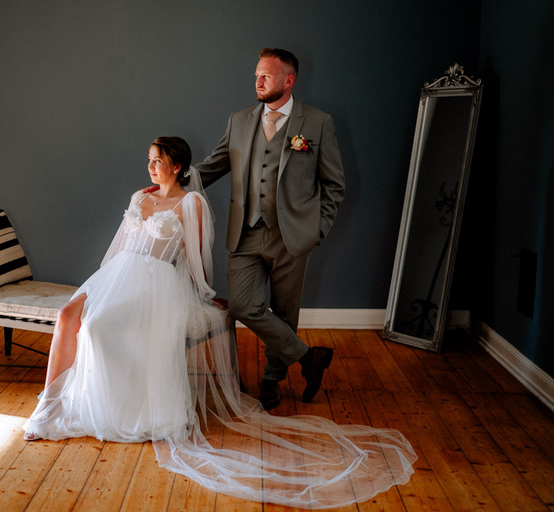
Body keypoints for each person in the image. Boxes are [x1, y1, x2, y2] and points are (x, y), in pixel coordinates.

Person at [23, 137, 416, 508]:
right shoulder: (138, 198)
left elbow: (195, 257)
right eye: (149, 160)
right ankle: (49, 408)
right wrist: (101, 285)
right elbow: (119, 249)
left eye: (158, 161)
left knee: (99, 329)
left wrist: (205, 294)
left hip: (155, 281)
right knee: (69, 315)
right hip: (119, 275)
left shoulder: (190, 203)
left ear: (177, 167)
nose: (151, 166)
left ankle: (122, 407)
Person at [193, 48, 346, 410]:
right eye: (256, 75)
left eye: (266, 75)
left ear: (288, 80)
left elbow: (334, 185)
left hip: (293, 236)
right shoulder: (239, 120)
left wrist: (316, 230)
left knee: (285, 312)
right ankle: (310, 358)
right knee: (244, 305)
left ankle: (272, 380)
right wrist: (172, 176)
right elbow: (213, 166)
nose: (258, 81)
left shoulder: (317, 123)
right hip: (245, 233)